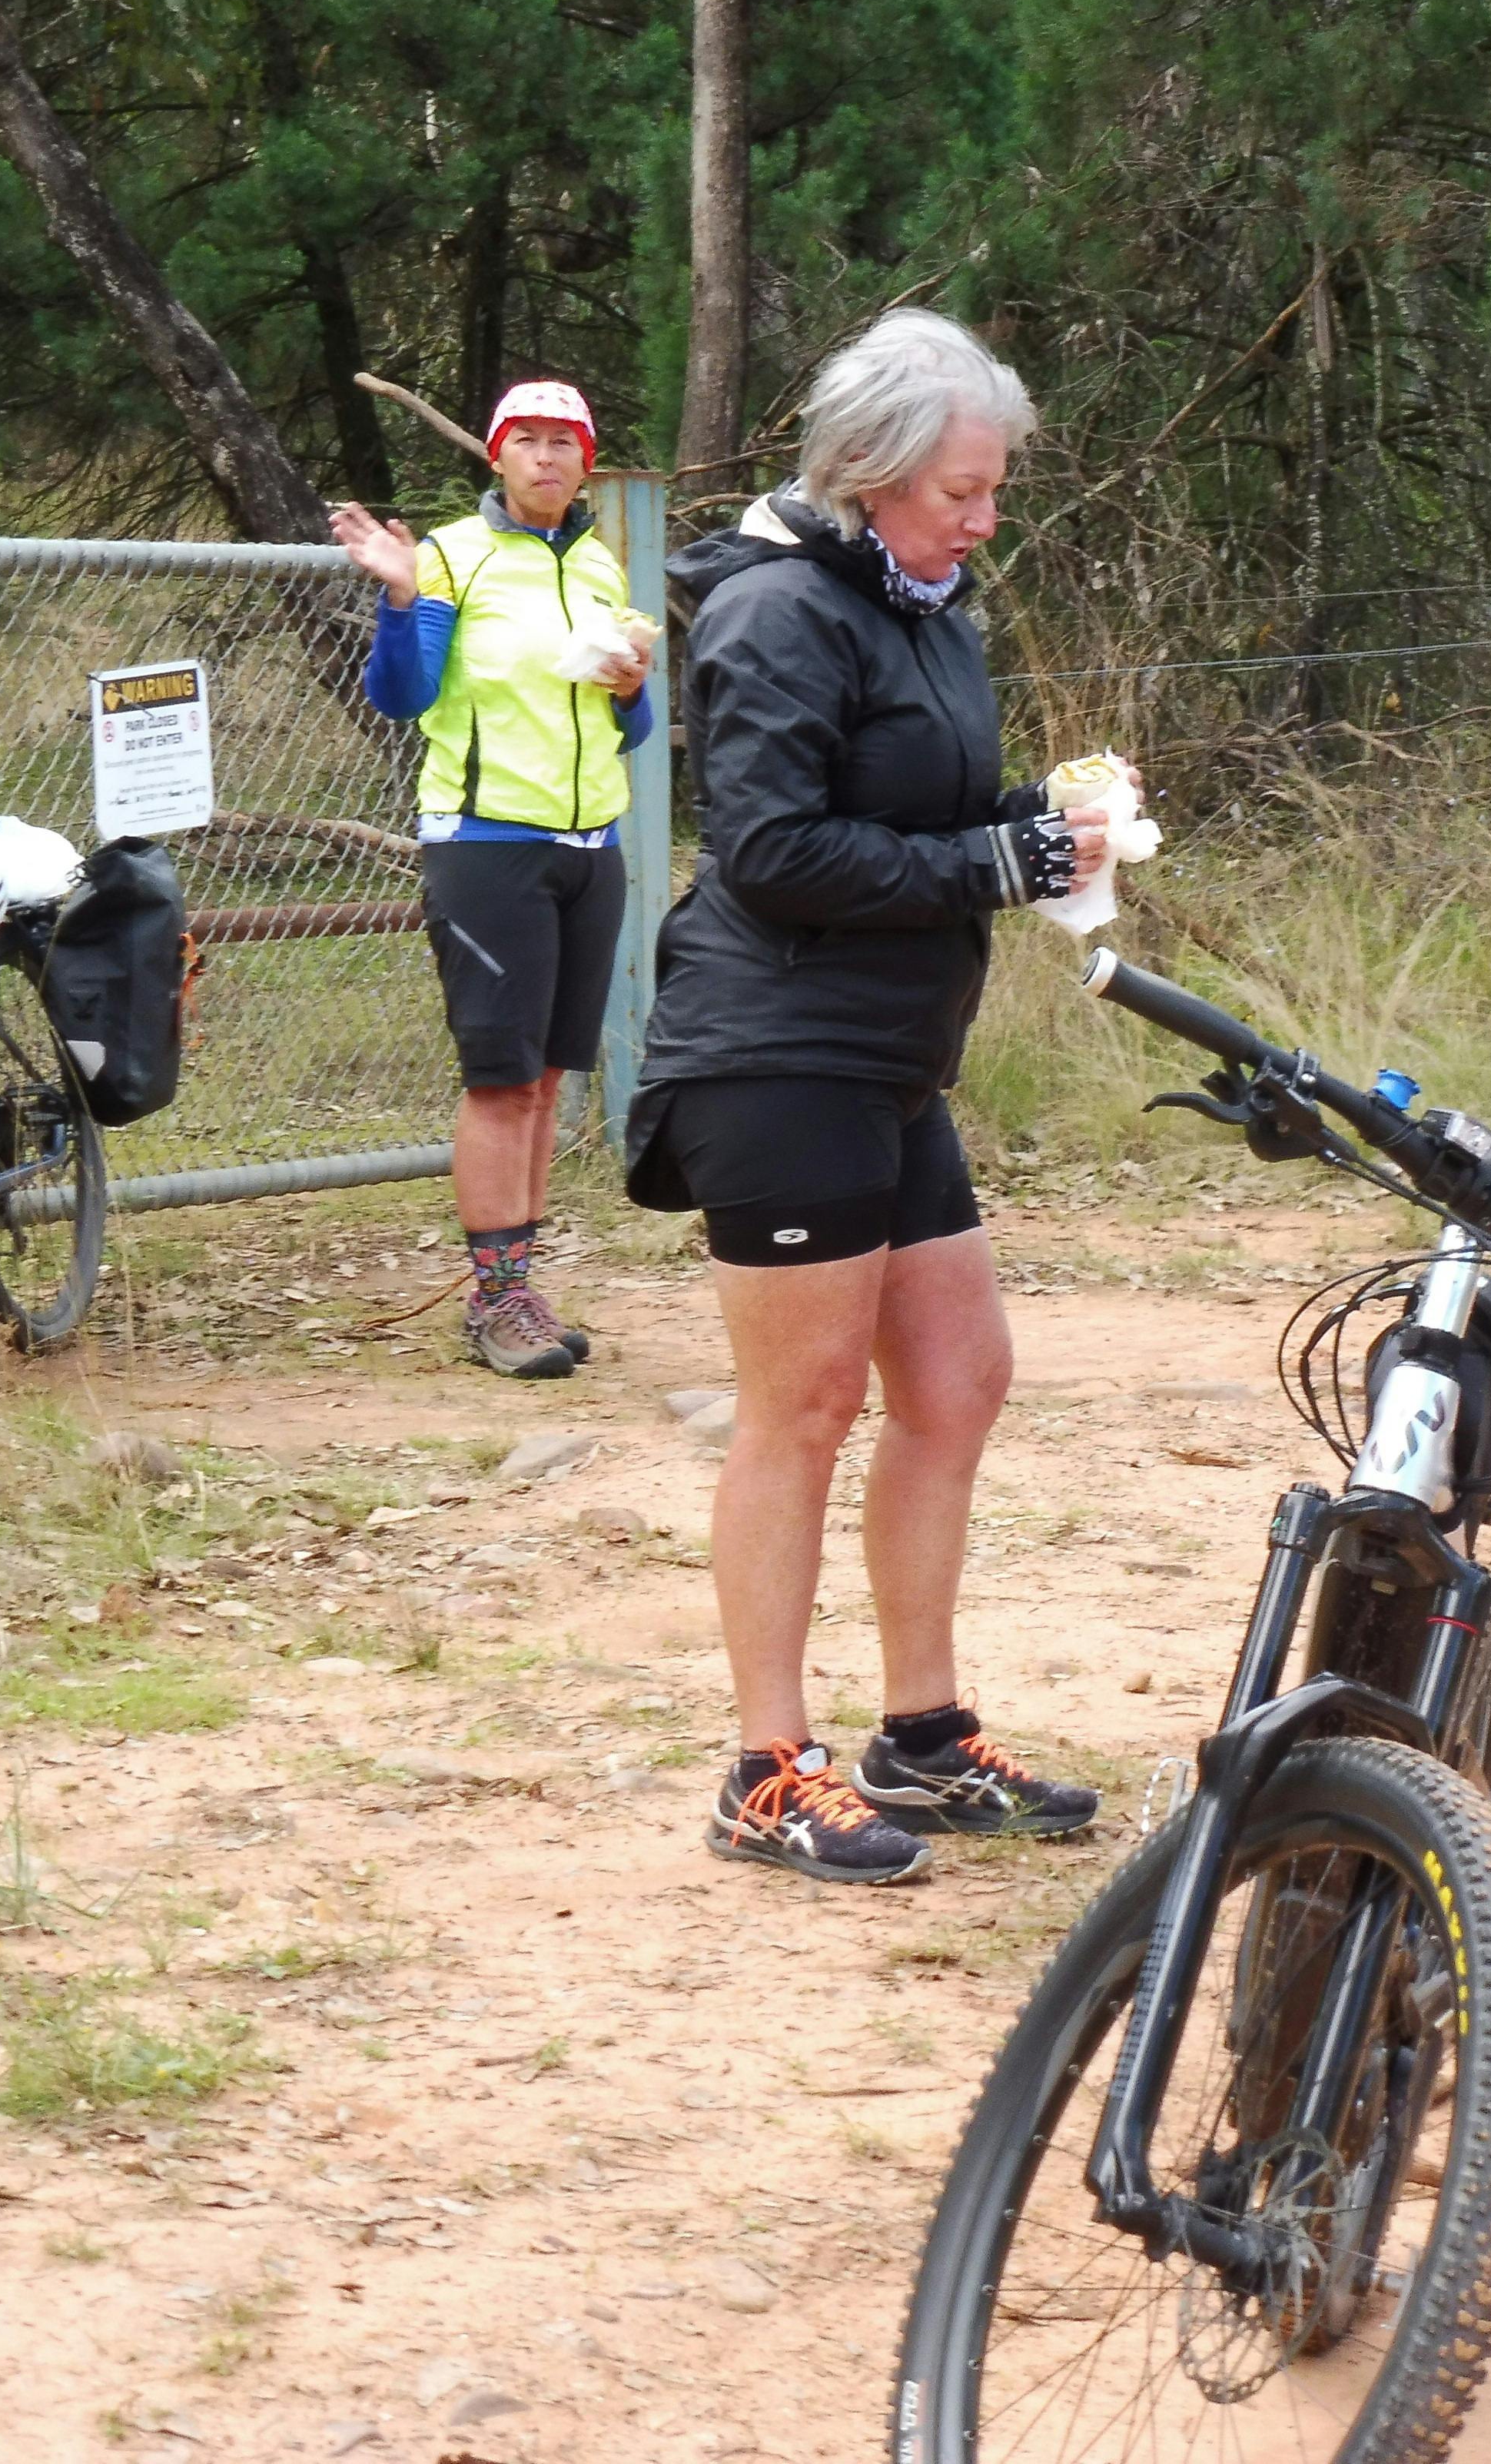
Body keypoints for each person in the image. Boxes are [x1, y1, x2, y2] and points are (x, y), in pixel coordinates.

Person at [630, 310, 1130, 1886]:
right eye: (962, 492)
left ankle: (921, 1738)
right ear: (869, 476)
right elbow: (773, 848)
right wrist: (995, 862)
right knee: (804, 1405)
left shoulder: (926, 604)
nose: (987, 520)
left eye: (993, 489)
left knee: (960, 1379)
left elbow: (915, 803)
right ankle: (767, 1770)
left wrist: (1037, 819)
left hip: (892, 1059)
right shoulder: (779, 609)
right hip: (776, 1051)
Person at [331, 382, 655, 1382]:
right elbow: (402, 694)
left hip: (591, 849)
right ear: (498, 457)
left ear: (586, 465)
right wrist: (397, 596)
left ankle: (516, 1284)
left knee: (550, 1078)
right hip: (485, 846)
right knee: (502, 1080)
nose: (548, 458)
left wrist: (635, 690)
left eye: (567, 444)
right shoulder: (450, 558)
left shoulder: (602, 567)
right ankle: (497, 1301)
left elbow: (628, 731)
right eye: (530, 442)